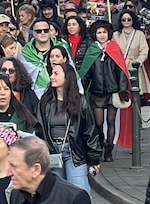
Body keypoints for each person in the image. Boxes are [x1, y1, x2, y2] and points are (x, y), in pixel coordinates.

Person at [38, 63, 102, 194]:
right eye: (52, 73)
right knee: (57, 194)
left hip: (74, 152)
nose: (51, 77)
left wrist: (94, 158)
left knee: (79, 193)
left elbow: (89, 131)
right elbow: (40, 128)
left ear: (67, 77)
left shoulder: (80, 101)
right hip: (53, 152)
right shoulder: (45, 101)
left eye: (56, 74)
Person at [78, 21, 130, 162]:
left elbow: (121, 71)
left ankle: (109, 150)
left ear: (109, 33)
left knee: (111, 121)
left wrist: (123, 89)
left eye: (104, 32)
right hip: (96, 92)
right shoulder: (92, 50)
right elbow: (86, 72)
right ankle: (101, 142)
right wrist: (81, 86)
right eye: (99, 32)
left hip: (113, 92)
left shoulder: (114, 48)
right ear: (95, 34)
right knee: (99, 122)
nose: (102, 35)